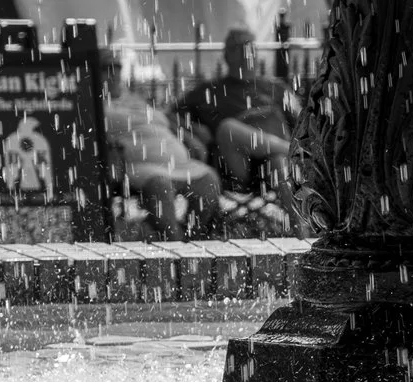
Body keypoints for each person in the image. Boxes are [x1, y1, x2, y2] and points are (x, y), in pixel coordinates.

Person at [175, 27, 301, 189]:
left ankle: (295, 214)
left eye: (250, 46)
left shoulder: (277, 88)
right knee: (227, 128)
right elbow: (169, 116)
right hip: (240, 163)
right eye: (238, 47)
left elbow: (304, 124)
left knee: (279, 165)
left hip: (276, 160)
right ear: (226, 55)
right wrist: (192, 130)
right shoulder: (208, 90)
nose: (245, 52)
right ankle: (294, 152)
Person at [104, 75, 221, 234]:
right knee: (160, 184)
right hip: (141, 166)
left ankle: (194, 236)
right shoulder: (97, 108)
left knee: (209, 180)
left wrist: (189, 138)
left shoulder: (134, 100)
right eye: (106, 68)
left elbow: (167, 120)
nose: (113, 74)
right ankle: (174, 243)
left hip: (180, 164)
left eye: (116, 67)